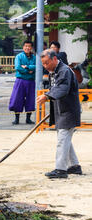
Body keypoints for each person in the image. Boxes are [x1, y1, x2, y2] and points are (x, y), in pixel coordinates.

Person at [36, 49, 82, 179]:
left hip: (69, 111)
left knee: (62, 140)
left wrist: (46, 96)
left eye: (46, 63)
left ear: (54, 59)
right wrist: (48, 95)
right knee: (65, 140)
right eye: (43, 64)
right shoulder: (55, 71)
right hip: (62, 110)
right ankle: (74, 166)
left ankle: (61, 169)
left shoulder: (64, 71)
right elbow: (55, 88)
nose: (45, 66)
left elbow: (62, 89)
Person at [8, 40, 36, 125]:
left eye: (29, 46)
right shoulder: (19, 56)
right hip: (20, 80)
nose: (27, 48)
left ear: (31, 48)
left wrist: (27, 67)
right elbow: (18, 67)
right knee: (17, 98)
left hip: (31, 81)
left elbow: (37, 66)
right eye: (26, 46)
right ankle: (16, 119)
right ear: (23, 47)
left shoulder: (34, 57)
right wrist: (29, 71)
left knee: (30, 99)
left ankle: (28, 118)